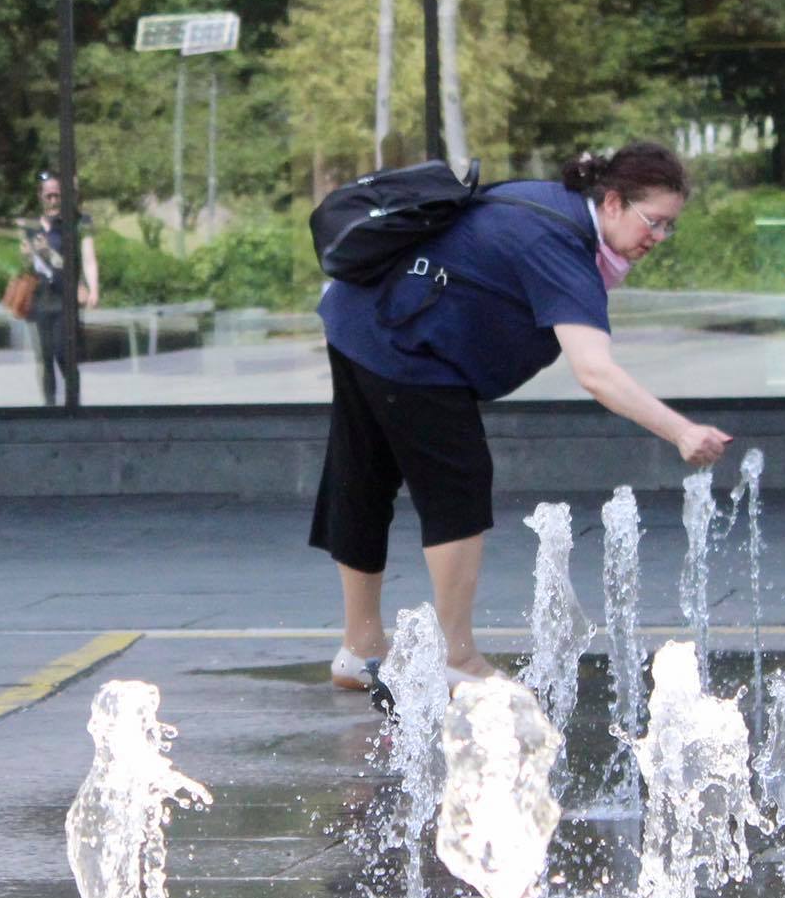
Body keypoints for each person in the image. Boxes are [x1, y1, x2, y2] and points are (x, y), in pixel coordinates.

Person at [311, 142, 732, 693]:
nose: (658, 236)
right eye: (654, 221)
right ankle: (456, 659)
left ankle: (360, 648)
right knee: (456, 485)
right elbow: (596, 373)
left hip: (361, 313)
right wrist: (682, 431)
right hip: (404, 343)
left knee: (364, 477)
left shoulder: (549, 204)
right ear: (611, 202)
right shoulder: (560, 245)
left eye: (669, 227)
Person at [20, 172, 99, 405]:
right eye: (49, 196)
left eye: (58, 196)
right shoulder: (32, 227)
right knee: (44, 357)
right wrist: (27, 255)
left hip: (64, 297)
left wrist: (92, 288)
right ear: (40, 196)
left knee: (64, 354)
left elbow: (83, 261)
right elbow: (26, 267)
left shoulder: (74, 224)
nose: (54, 201)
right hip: (40, 297)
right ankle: (50, 405)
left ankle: (73, 403)